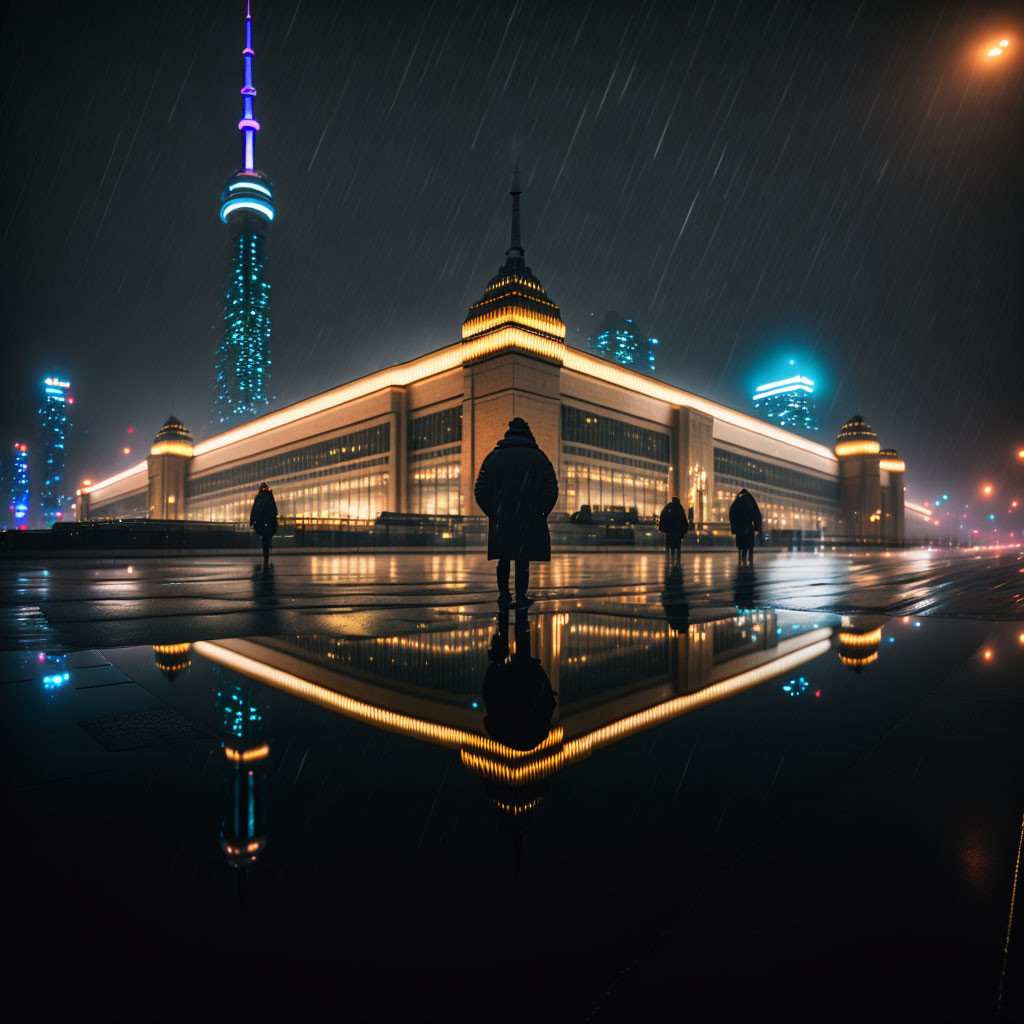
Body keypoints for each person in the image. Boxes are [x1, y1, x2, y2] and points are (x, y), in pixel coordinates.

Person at [474, 417, 558, 609]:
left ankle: (504, 596)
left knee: (503, 558)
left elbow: (479, 490)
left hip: (502, 517)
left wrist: (494, 512)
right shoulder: (539, 457)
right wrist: (541, 512)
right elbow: (552, 489)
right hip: (528, 516)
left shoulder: (493, 457)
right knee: (523, 559)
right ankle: (521, 597)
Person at [729, 488, 762, 565]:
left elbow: (732, 514)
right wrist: (757, 528)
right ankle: (750, 560)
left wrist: (734, 527)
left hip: (740, 528)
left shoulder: (737, 501)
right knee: (749, 546)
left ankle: (742, 559)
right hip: (748, 527)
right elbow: (756, 515)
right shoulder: (750, 501)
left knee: (741, 546)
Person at [249, 482, 278, 563]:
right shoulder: (266, 497)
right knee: (266, 539)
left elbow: (254, 509)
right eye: (264, 488)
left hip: (264, 522)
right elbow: (274, 510)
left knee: (265, 539)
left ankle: (266, 555)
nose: (264, 489)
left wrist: (252, 520)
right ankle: (266, 555)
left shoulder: (261, 497)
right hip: (264, 522)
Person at [658, 495, 688, 561]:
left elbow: (662, 516)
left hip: (669, 530)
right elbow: (683, 519)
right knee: (678, 546)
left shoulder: (668, 506)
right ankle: (677, 560)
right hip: (677, 531)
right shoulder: (680, 508)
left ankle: (669, 559)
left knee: (669, 545)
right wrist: (684, 529)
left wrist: (662, 527)